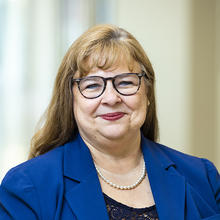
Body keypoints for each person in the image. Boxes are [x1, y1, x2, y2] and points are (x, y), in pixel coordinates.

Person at [0, 24, 219, 220]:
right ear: (70, 99)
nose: (112, 98)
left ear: (147, 93)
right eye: (92, 85)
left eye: (125, 82)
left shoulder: (203, 177)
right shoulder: (27, 186)